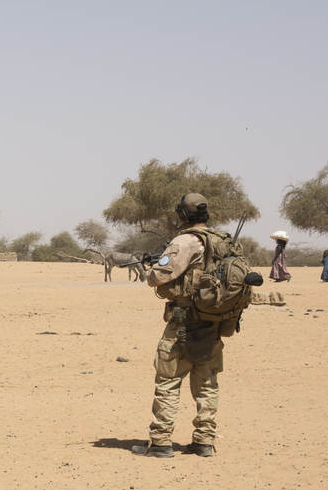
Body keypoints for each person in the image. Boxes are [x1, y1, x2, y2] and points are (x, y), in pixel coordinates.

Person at [131, 193, 223, 459]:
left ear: (183, 215)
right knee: (207, 384)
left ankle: (161, 442)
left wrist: (151, 269)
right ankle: (204, 442)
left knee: (168, 381)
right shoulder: (221, 242)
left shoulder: (184, 241)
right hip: (213, 324)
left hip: (184, 323)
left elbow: (158, 277)